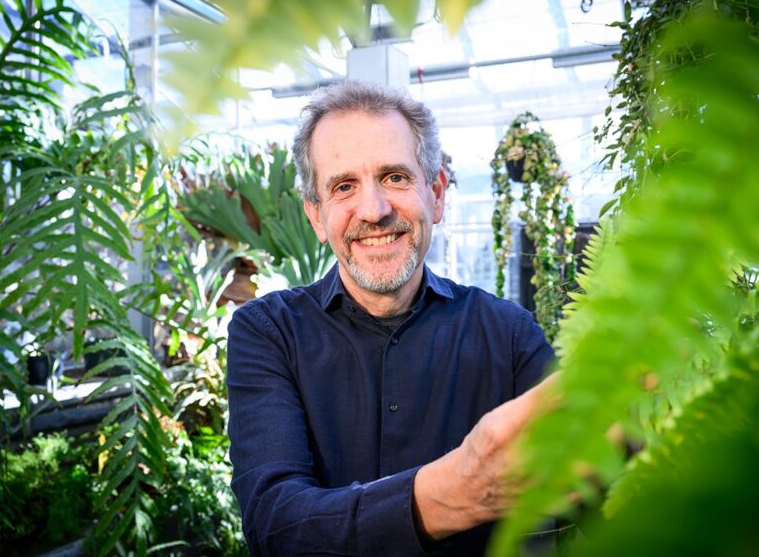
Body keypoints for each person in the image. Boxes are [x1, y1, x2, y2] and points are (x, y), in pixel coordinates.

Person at [227, 80, 557, 556]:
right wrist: (455, 493)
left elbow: (588, 476)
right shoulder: (268, 332)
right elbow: (276, 525)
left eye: (395, 177)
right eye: (344, 187)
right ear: (317, 217)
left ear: (436, 194)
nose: (375, 210)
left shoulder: (507, 334)